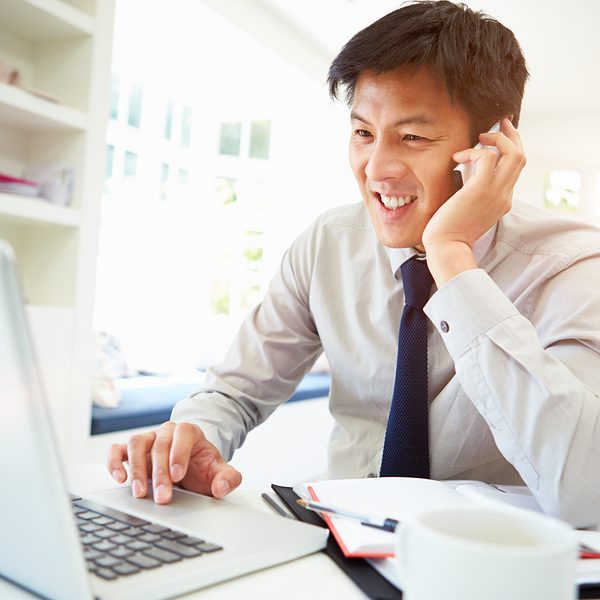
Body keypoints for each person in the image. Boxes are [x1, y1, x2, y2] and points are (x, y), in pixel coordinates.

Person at [107, 1, 600, 527]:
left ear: (494, 147)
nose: (377, 169)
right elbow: (237, 389)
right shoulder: (327, 243)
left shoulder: (571, 268)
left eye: (413, 137)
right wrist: (191, 439)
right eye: (364, 133)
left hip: (486, 561)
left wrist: (452, 253)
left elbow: (584, 491)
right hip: (337, 542)